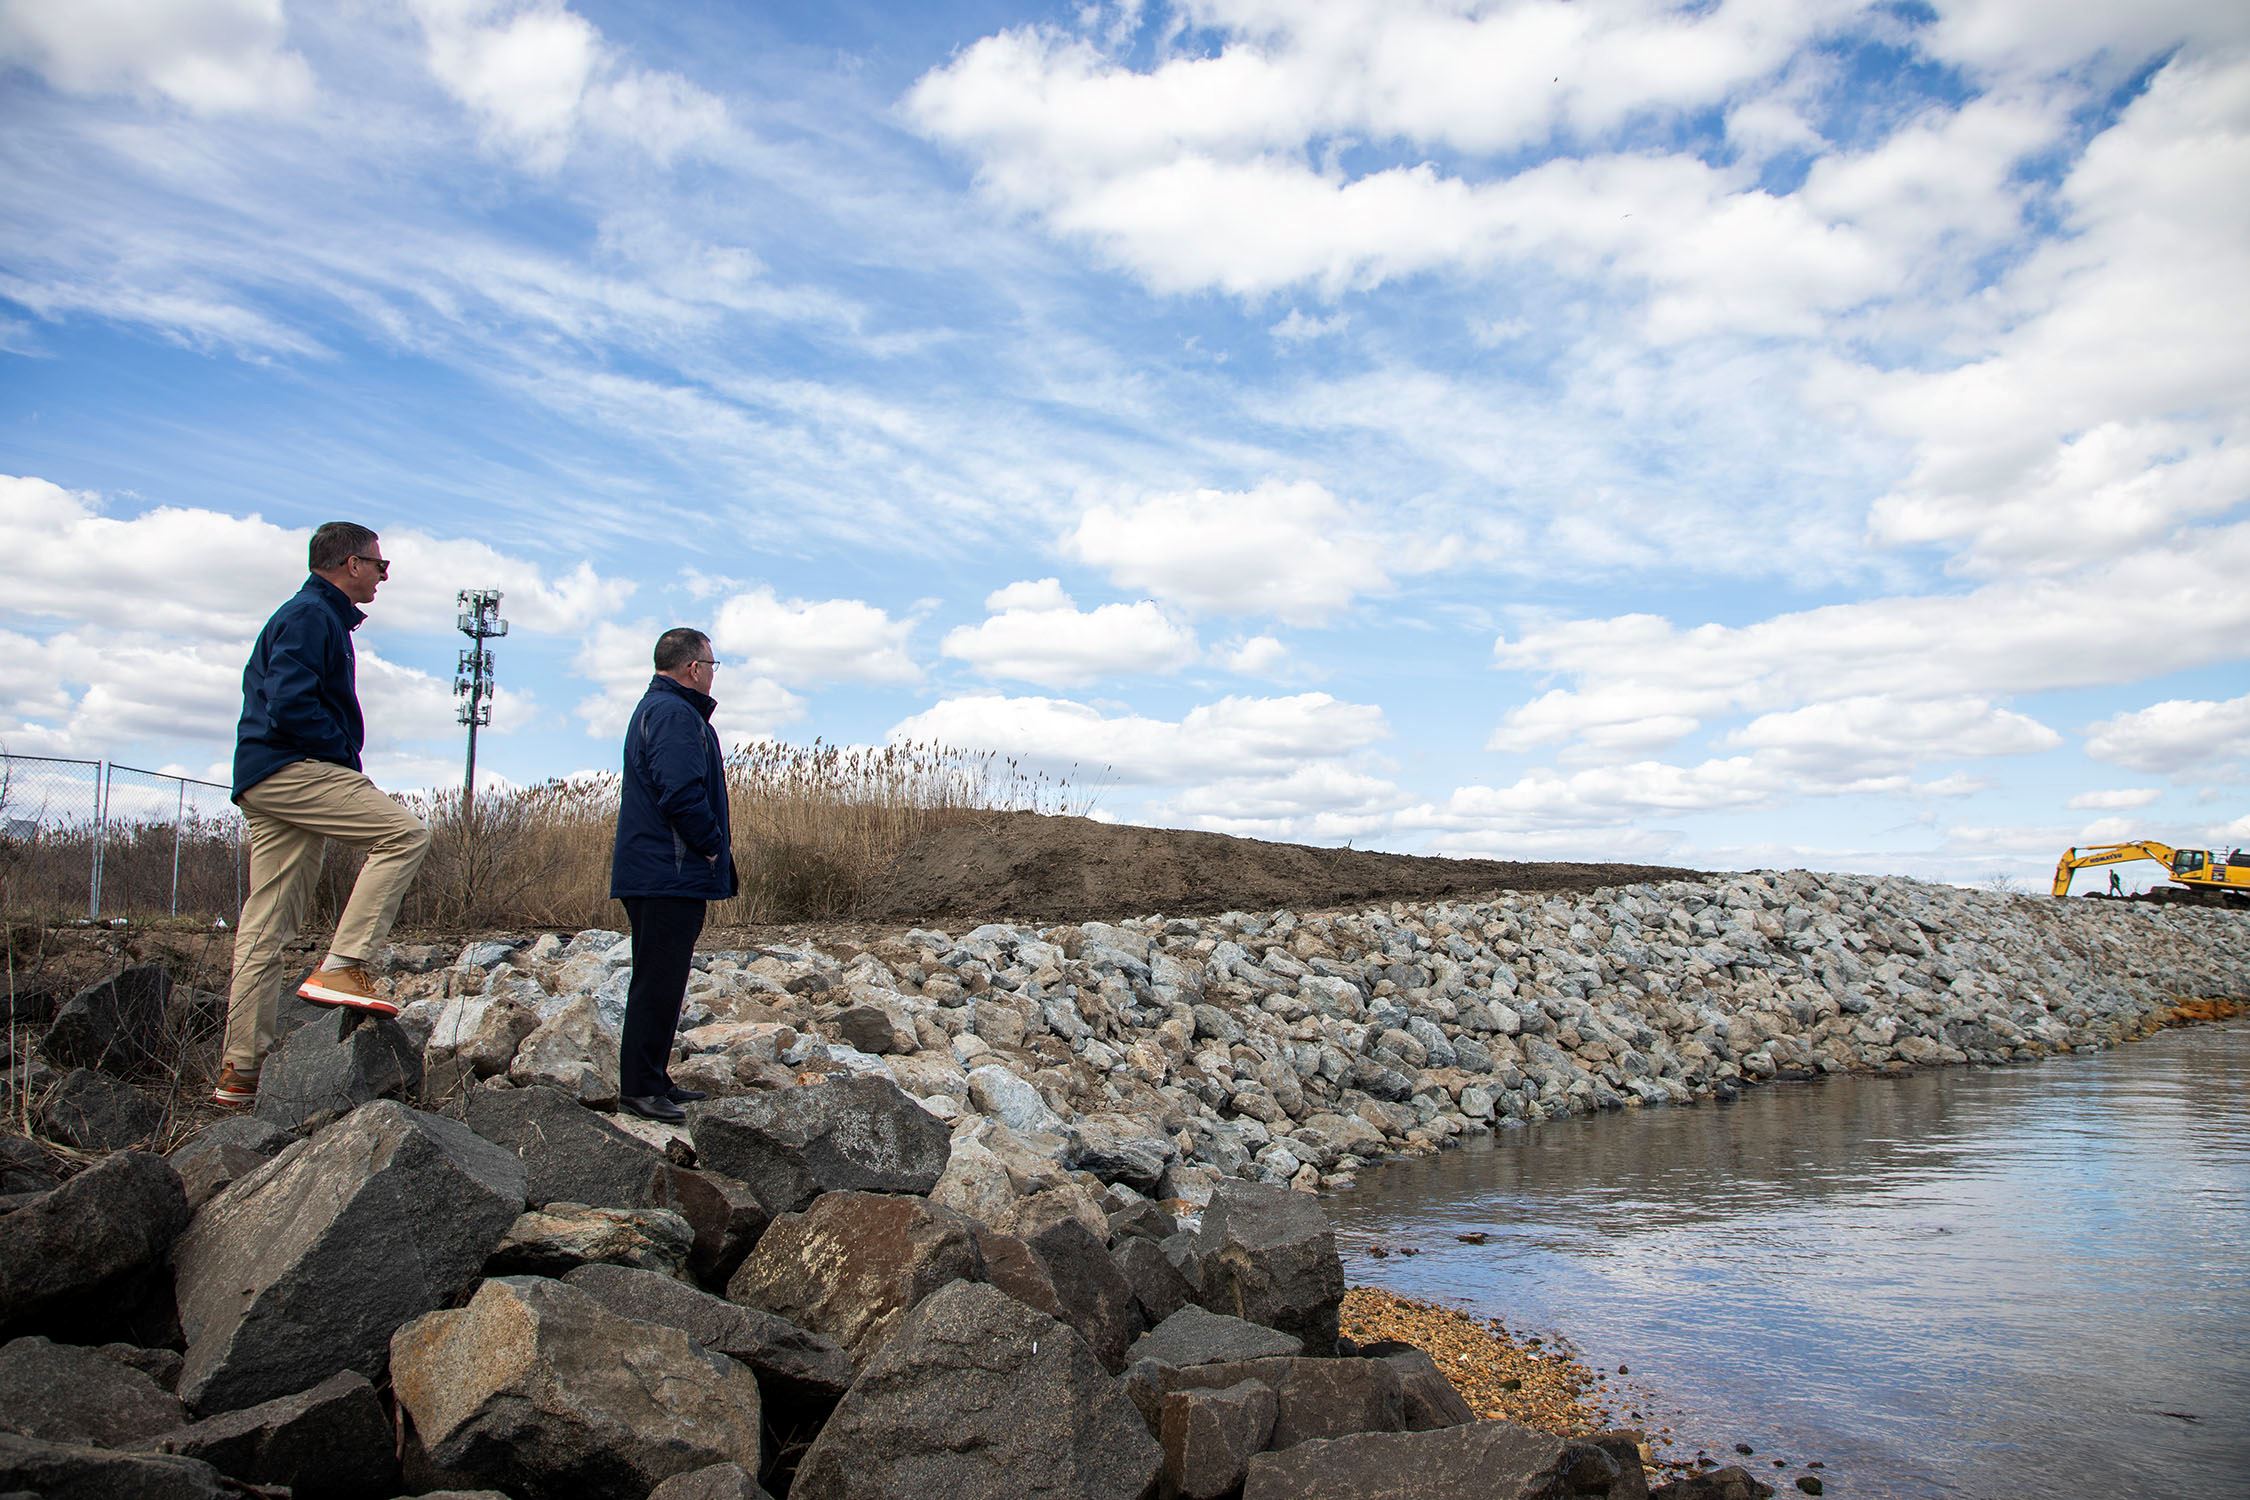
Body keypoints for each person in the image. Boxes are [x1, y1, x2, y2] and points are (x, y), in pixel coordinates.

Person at [213, 522, 432, 1106]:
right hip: (293, 767)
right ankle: (343, 964)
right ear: (350, 564)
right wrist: (340, 759)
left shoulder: (311, 615)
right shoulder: (313, 615)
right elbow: (288, 702)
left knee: (266, 924)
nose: (385, 575)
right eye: (380, 565)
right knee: (403, 834)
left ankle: (241, 1069)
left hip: (263, 776)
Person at [609, 627, 738, 1122]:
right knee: (657, 980)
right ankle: (639, 1089)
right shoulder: (672, 714)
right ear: (692, 668)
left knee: (664, 978)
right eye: (711, 664)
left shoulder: (665, 710)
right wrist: (710, 846)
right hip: (667, 871)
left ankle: (653, 1079)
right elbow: (680, 791)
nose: (711, 672)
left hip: (662, 869)